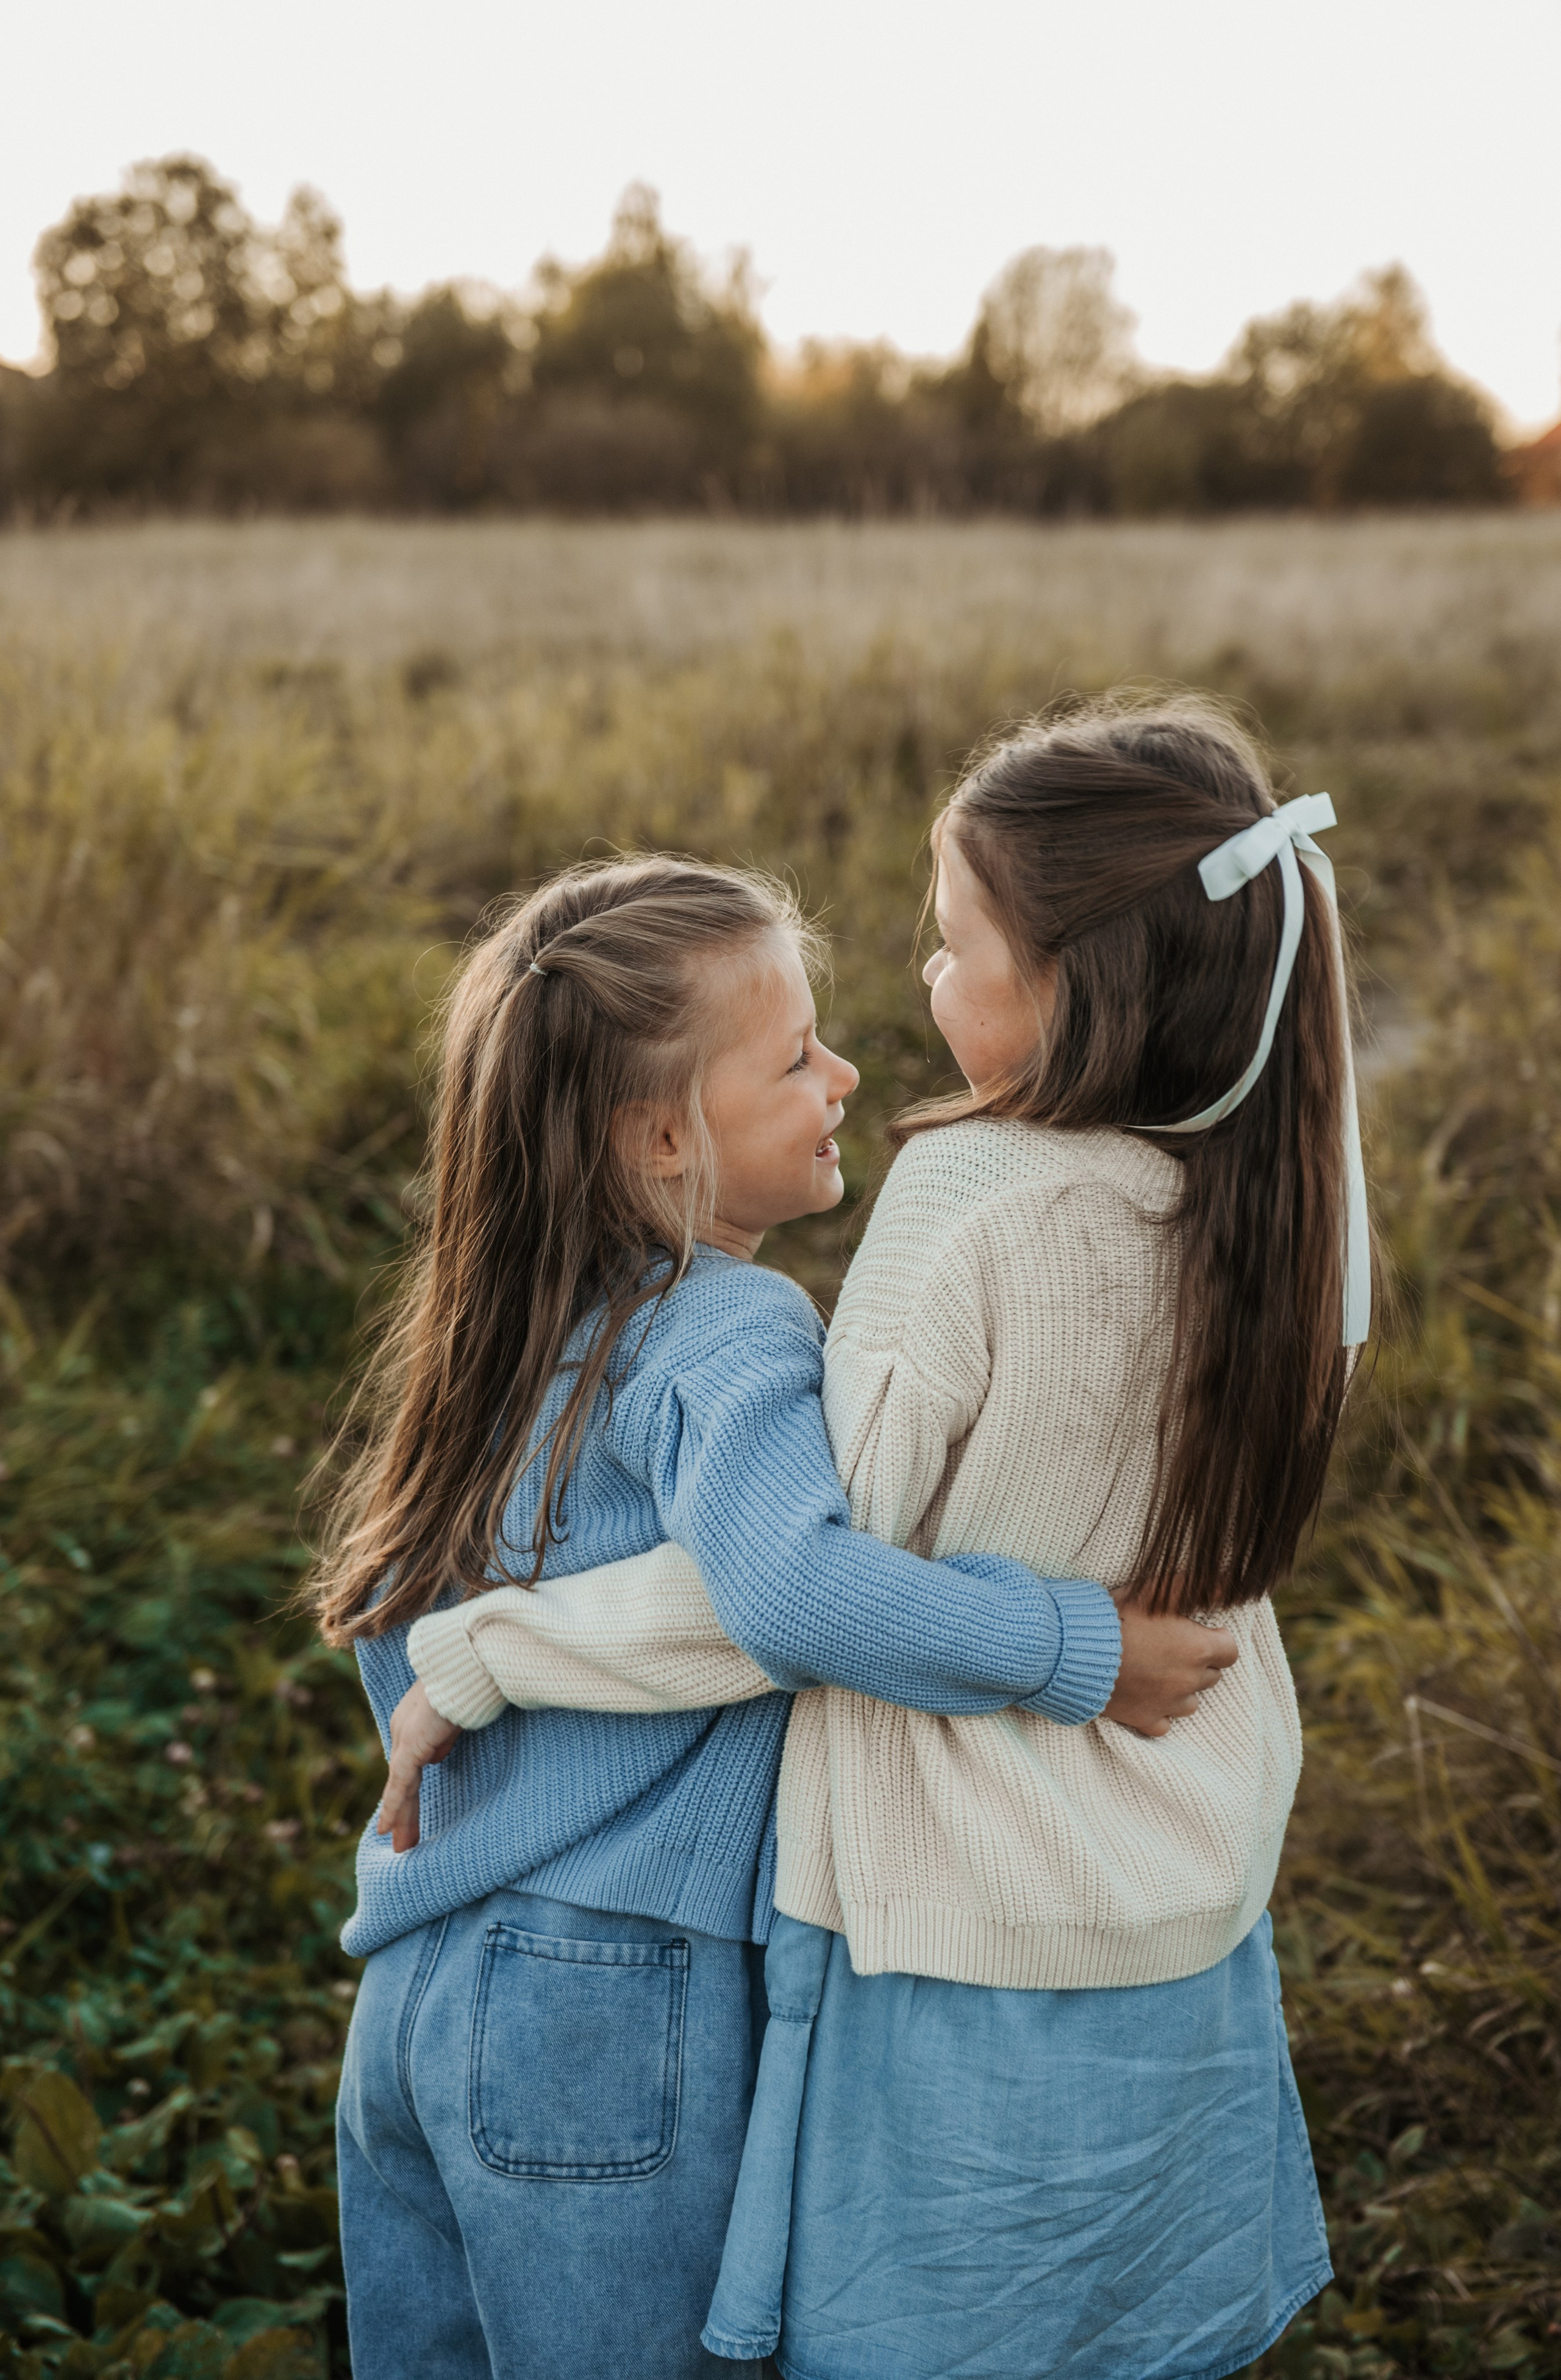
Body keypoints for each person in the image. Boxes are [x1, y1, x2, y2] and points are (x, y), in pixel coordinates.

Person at [394, 695, 1370, 2380]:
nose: (925, 981)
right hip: (1190, 1911)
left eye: (951, 942)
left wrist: (487, 1650)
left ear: (1071, 984)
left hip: (961, 1916)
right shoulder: (1279, 1204)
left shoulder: (975, 1199)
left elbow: (794, 1583)